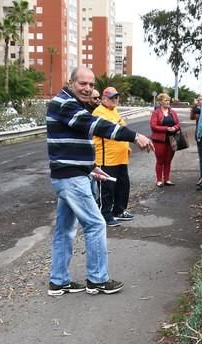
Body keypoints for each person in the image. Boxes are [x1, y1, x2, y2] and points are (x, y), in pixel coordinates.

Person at [46, 66, 153, 296]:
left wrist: (90, 167)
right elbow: (96, 126)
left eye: (91, 85)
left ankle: (58, 281)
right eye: (82, 84)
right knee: (96, 224)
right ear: (70, 82)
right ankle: (97, 280)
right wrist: (134, 135)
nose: (87, 89)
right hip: (71, 179)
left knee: (64, 230)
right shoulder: (64, 104)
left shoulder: (72, 104)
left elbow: (69, 144)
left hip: (72, 174)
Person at [92, 87, 134, 226]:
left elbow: (121, 130)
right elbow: (109, 131)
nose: (114, 100)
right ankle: (104, 214)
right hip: (107, 159)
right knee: (107, 188)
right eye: (111, 97)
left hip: (121, 158)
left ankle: (119, 210)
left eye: (116, 97)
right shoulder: (99, 113)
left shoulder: (114, 111)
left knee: (123, 185)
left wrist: (126, 146)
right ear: (103, 99)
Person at [149, 93, 181, 187]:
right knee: (160, 160)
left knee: (168, 160)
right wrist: (166, 128)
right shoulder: (156, 113)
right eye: (165, 100)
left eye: (168, 100)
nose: (168, 102)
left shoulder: (173, 112)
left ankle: (167, 179)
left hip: (172, 139)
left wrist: (175, 128)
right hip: (159, 140)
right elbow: (153, 126)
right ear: (160, 102)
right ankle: (159, 180)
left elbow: (178, 124)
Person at [191, 95, 202, 188]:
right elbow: (192, 117)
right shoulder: (197, 110)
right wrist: (194, 107)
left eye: (201, 99)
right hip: (198, 135)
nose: (200, 101)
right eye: (198, 99)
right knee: (201, 158)